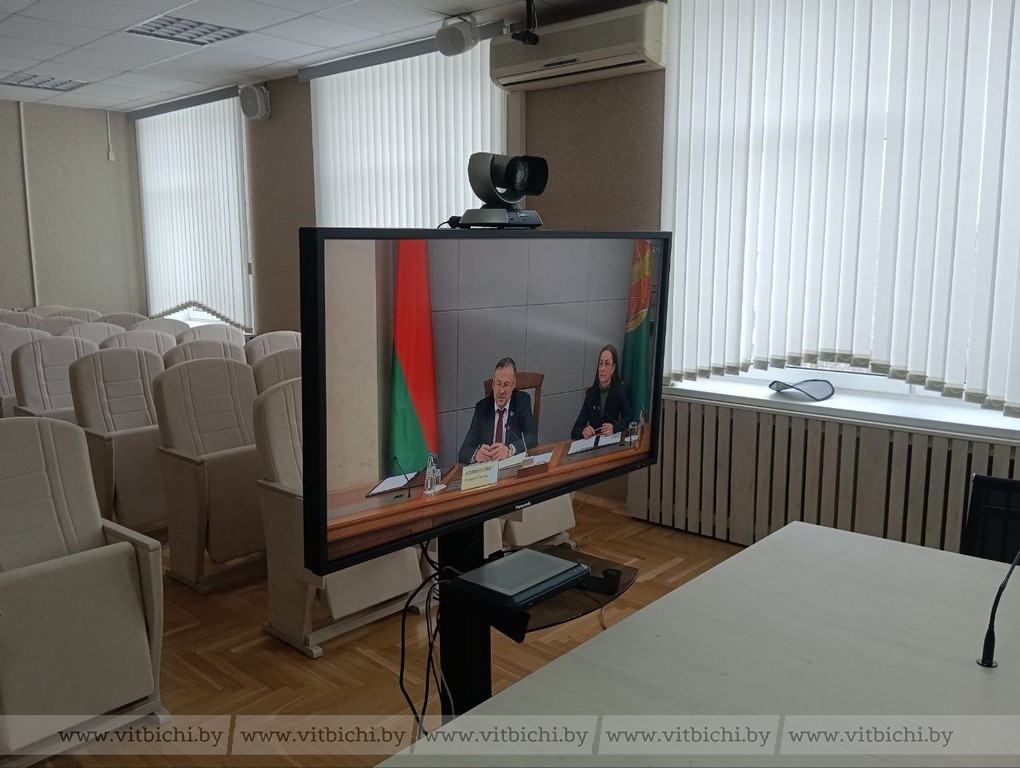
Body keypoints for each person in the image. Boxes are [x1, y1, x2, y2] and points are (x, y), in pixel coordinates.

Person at [458, 357, 538, 464]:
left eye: (506, 385)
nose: (501, 391)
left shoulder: (522, 401)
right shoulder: (482, 408)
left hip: (512, 465)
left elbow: (532, 436)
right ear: (493, 384)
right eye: (498, 384)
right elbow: (463, 452)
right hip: (489, 467)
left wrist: (509, 450)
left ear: (513, 385)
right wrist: (476, 454)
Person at [571, 344, 634, 440]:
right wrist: (583, 431)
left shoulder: (620, 391)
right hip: (593, 443)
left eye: (607, 364)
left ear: (613, 368)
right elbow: (575, 430)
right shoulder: (591, 393)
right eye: (601, 364)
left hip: (611, 440)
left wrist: (614, 427)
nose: (602, 368)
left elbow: (629, 417)